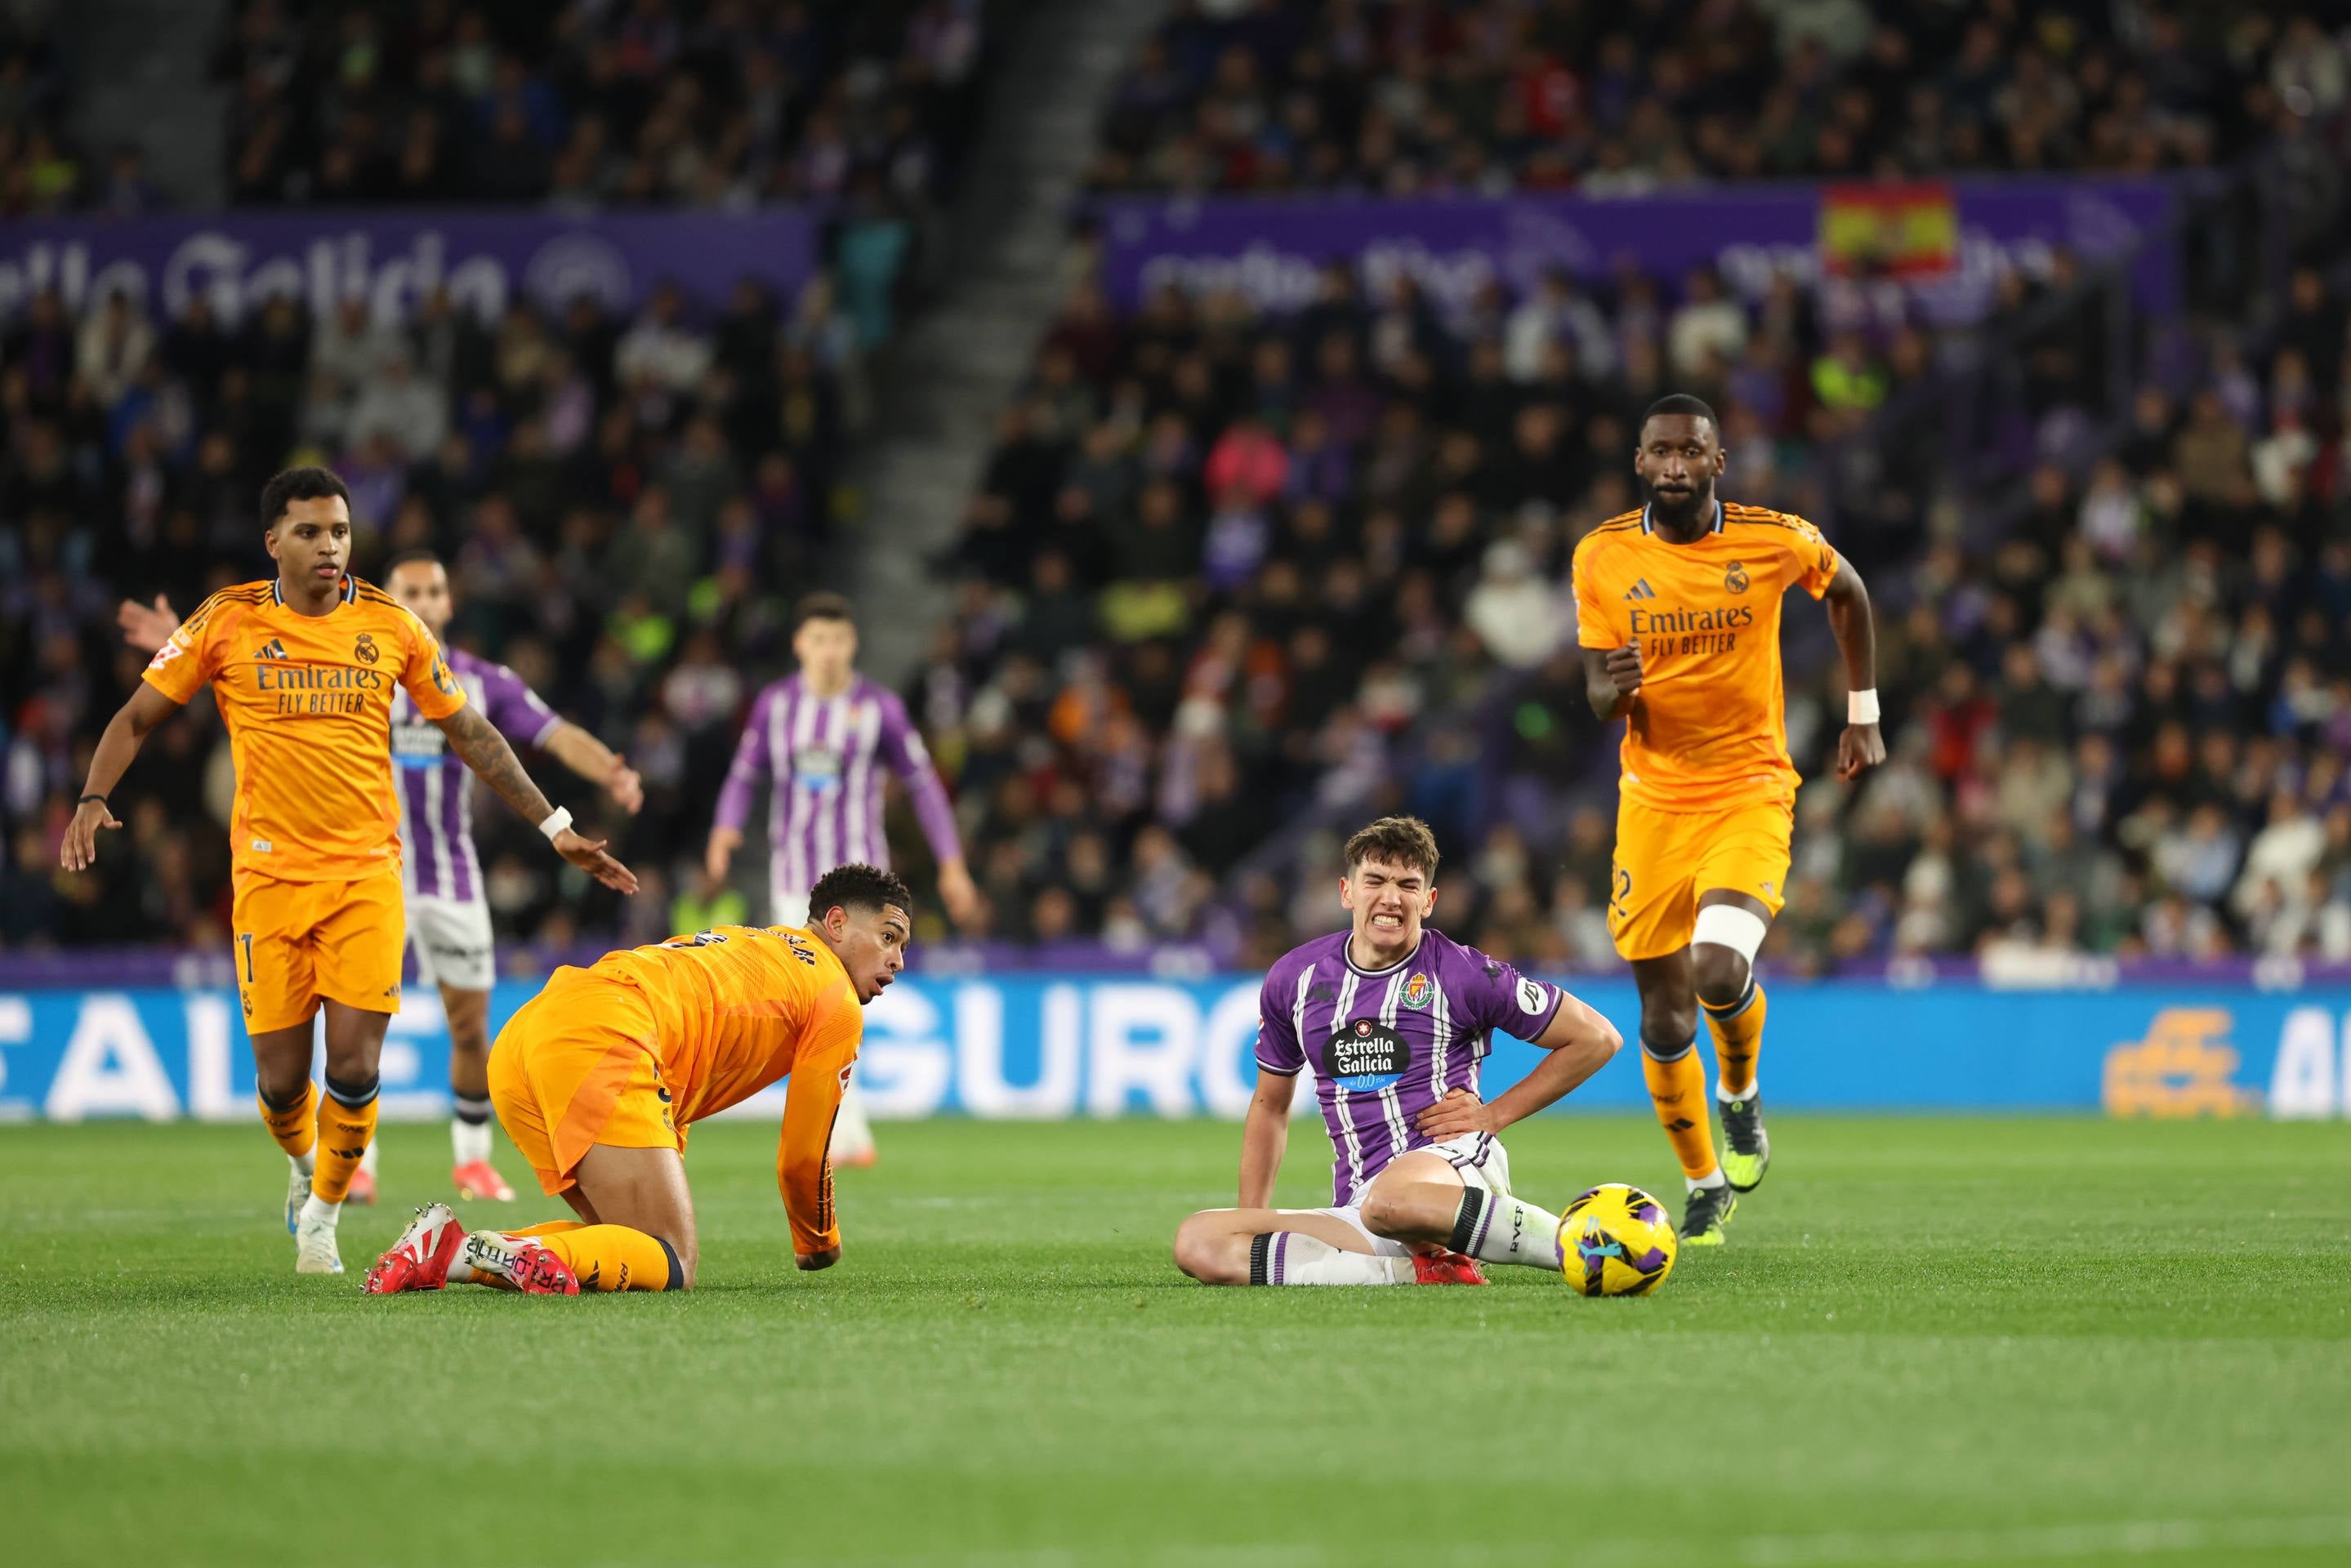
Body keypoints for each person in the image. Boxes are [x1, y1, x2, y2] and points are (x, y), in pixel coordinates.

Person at [62, 467, 637, 1276]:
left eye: (339, 531)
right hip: (267, 882)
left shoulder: (391, 626)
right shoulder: (227, 622)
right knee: (281, 1083)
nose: (329, 545)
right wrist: (92, 798)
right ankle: (305, 1168)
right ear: (274, 543)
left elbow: (472, 731)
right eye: (309, 532)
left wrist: (556, 825)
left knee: (357, 1066)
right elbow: (137, 716)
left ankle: (325, 1219)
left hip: (369, 876)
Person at [1570, 394, 1884, 1245]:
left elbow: (1848, 590)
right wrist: (1615, 689)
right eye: (1659, 451)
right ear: (1639, 462)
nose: (1674, 464)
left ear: (1718, 462)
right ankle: (1703, 1181)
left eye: (1690, 451)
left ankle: (1739, 1094)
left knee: (1716, 967)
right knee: (1664, 1017)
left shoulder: (1772, 538)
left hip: (1749, 787)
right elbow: (1596, 690)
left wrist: (1863, 711)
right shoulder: (1601, 556)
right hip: (1651, 805)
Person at [363, 863, 911, 1295]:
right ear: (836, 923)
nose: (898, 959)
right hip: (605, 1035)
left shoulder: (754, 945)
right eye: (889, 937)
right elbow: (802, 1158)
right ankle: (471, 1253)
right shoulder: (834, 999)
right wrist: (818, 1241)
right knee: (672, 1257)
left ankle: (448, 1249)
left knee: (631, 1247)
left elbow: (684, 1042)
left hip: (531, 1036)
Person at [1171, 816, 1623, 1287]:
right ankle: (1418, 1272)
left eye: (1408, 885)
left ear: (1427, 902)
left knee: (1392, 1200)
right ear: (1347, 892)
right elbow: (1269, 1107)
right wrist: (1252, 1223)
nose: (1390, 898)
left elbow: (1597, 1038)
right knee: (1200, 1241)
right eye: (1376, 881)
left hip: (1450, 1167)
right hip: (1361, 1207)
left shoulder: (1464, 973)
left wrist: (1494, 1116)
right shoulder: (1295, 979)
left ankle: (1584, 1247)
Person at [706, 593, 979, 1167]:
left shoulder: (879, 709)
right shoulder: (775, 706)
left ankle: (836, 1132)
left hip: (861, 889)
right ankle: (842, 1131)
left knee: (843, 1006)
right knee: (805, 1010)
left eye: (839, 640)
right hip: (794, 882)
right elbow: (743, 774)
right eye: (819, 640)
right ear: (800, 645)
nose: (829, 652)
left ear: (852, 645)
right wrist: (725, 829)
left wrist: (951, 862)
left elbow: (925, 786)